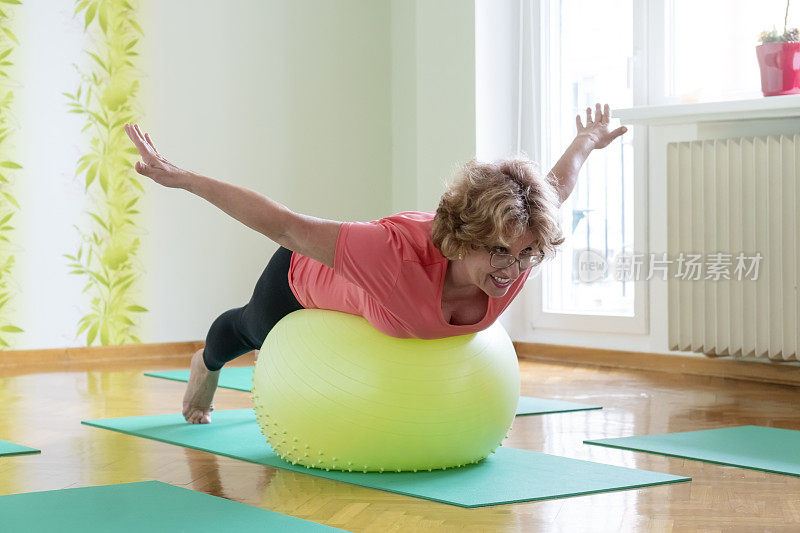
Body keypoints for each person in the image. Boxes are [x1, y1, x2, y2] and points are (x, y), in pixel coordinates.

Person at [124, 103, 626, 424]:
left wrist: (587, 140)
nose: (512, 270)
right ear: (463, 238)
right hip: (300, 279)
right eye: (499, 252)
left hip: (369, 287)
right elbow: (285, 226)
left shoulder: (519, 244)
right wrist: (184, 179)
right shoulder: (392, 255)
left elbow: (558, 185)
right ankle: (204, 366)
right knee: (248, 329)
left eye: (525, 257)